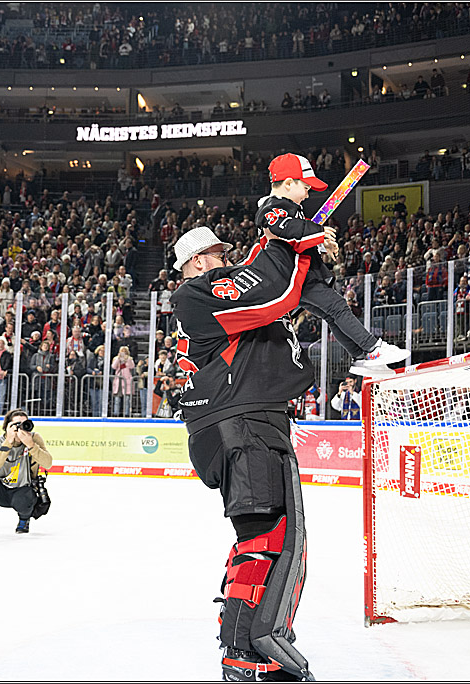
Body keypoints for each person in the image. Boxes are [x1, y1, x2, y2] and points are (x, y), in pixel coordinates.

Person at [170, 225, 316, 680]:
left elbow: (279, 292)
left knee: (261, 538)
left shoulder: (219, 300)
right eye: (218, 256)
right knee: (265, 540)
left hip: (240, 420)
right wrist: (283, 235)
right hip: (241, 422)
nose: (226, 263)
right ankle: (247, 652)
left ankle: (246, 646)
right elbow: (272, 287)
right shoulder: (196, 293)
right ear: (197, 261)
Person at [251, 153, 408, 377]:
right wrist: (317, 232)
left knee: (331, 314)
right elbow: (284, 229)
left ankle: (361, 357)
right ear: (288, 184)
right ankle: (373, 348)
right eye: (306, 187)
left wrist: (322, 244)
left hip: (296, 277)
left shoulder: (286, 207)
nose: (308, 193)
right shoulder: (273, 208)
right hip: (297, 276)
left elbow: (293, 241)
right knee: (337, 307)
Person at [0, 409, 53, 535]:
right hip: (1, 490)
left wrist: (31, 445)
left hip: (23, 491)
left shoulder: (33, 438)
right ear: (7, 427)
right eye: (16, 425)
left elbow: (48, 463)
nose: (21, 428)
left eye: (25, 424)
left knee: (25, 496)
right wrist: (8, 442)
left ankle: (24, 520)